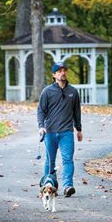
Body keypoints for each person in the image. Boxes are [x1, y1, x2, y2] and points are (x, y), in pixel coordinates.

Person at [37, 61, 83, 197]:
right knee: (50, 161)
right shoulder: (47, 92)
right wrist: (41, 127)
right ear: (54, 75)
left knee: (68, 159)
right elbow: (41, 111)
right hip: (50, 132)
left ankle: (68, 186)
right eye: (59, 71)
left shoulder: (73, 92)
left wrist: (78, 129)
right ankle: (48, 185)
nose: (63, 73)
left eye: (64, 70)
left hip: (66, 132)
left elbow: (77, 112)